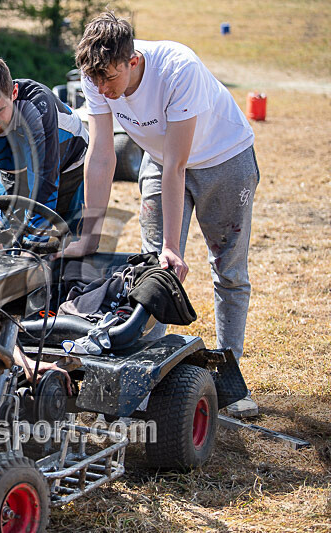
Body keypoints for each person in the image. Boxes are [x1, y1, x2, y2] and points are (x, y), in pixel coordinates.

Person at [70, 12, 260, 417]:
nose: (103, 89)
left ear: (133, 61)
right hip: (160, 158)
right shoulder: (95, 74)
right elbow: (101, 154)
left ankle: (230, 381)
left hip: (223, 161)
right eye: (96, 81)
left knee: (228, 268)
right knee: (153, 269)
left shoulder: (178, 69)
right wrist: (90, 234)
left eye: (110, 79)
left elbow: (179, 164)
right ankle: (147, 378)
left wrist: (174, 246)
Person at [0, 55, 89, 250]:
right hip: (13, 170)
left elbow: (43, 183)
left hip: (67, 166)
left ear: (14, 93)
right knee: (9, 246)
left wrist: (33, 246)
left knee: (67, 247)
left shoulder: (36, 108)